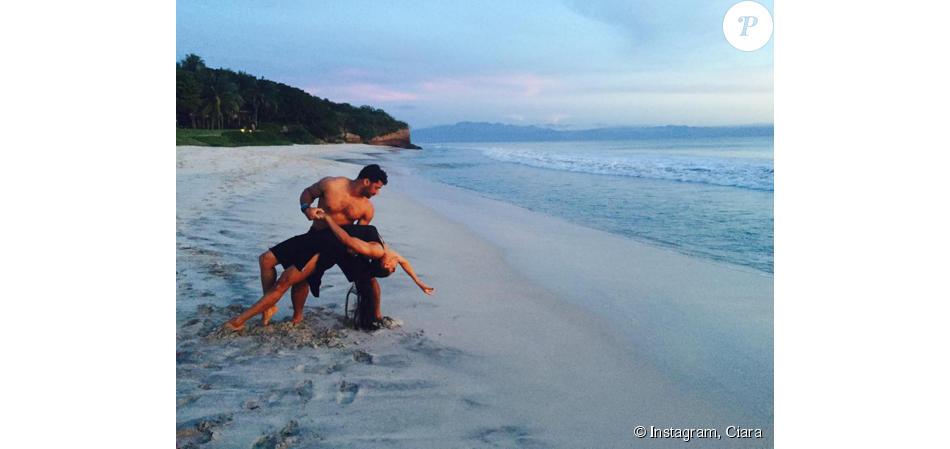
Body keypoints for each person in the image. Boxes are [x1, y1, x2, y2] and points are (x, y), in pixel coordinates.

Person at [226, 165, 389, 330]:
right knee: (266, 260)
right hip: (313, 236)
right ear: (366, 181)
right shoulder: (331, 184)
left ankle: (376, 316)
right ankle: (273, 308)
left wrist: (360, 251)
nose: (377, 192)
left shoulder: (367, 209)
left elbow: (357, 236)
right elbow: (308, 193)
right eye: (377, 188)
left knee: (367, 276)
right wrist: (306, 208)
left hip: (336, 246)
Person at [223, 211, 434, 331]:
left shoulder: (376, 250)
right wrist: (419, 283)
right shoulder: (385, 252)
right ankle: (276, 313)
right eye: (394, 267)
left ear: (385, 264)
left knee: (283, 283)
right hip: (317, 240)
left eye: (393, 267)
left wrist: (328, 219)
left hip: (325, 249)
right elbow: (405, 263)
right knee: (278, 272)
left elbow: (346, 240)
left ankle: (239, 321)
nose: (396, 263)